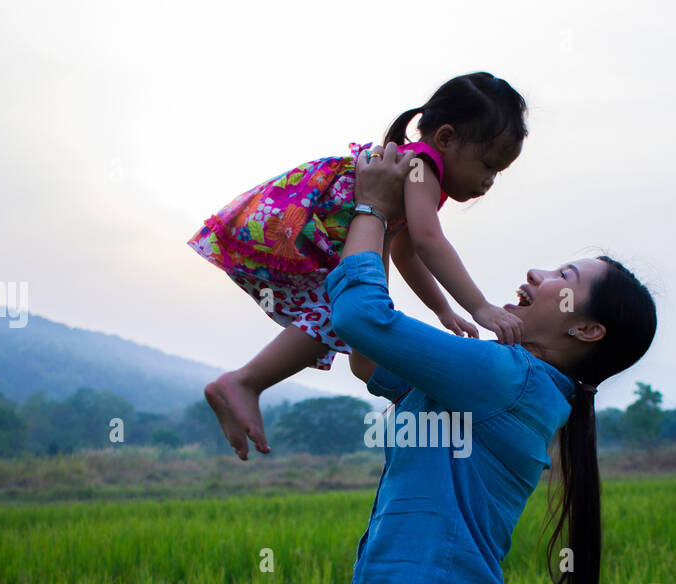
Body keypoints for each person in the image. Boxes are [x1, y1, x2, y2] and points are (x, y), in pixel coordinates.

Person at [327, 142, 658, 584]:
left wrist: (371, 206)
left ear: (586, 330)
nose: (537, 274)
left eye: (563, 278)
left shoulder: (506, 378)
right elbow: (367, 358)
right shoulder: (502, 379)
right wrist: (384, 229)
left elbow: (355, 315)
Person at [187, 72, 529, 459]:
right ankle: (245, 382)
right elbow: (428, 241)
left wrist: (442, 309)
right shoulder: (422, 166)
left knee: (353, 317)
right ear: (446, 138)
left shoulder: (416, 170)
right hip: (310, 225)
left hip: (338, 228)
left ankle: (244, 382)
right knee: (344, 314)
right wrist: (479, 306)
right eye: (487, 165)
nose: (489, 181)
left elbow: (406, 253)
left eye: (498, 173)